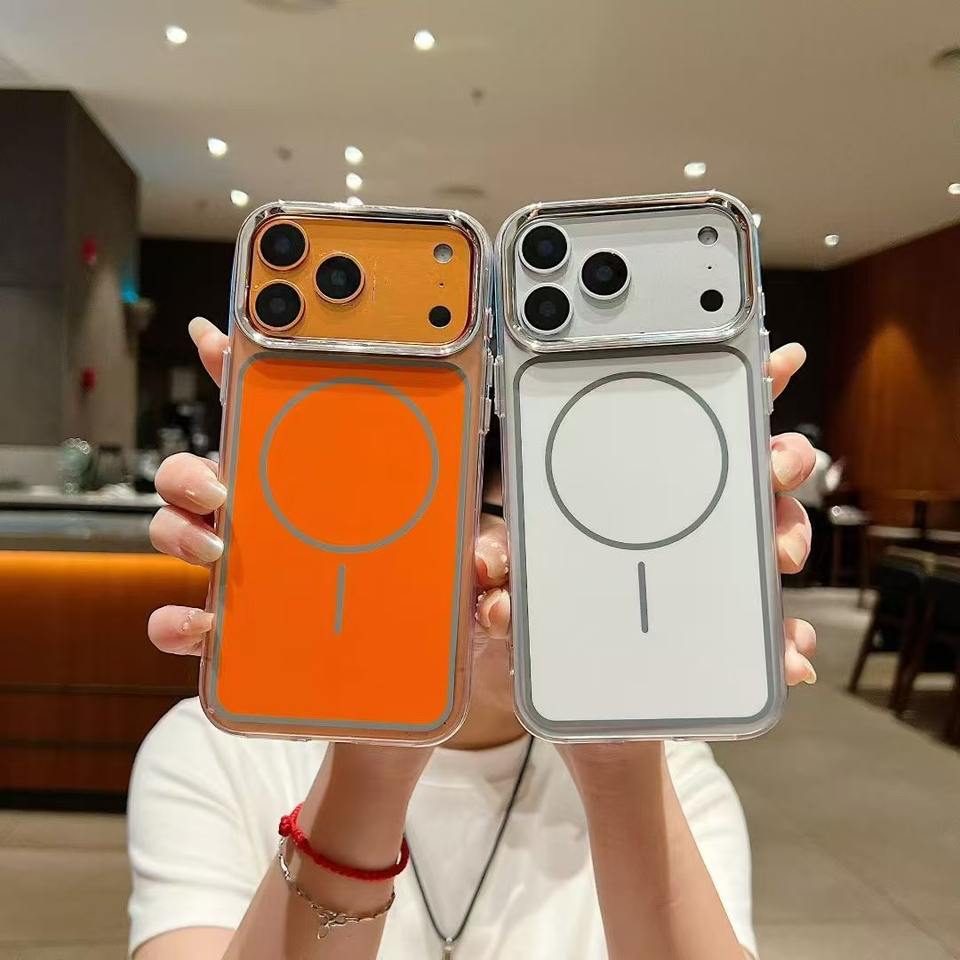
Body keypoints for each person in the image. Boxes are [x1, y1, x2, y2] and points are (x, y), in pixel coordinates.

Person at [128, 317, 818, 960]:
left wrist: (618, 761)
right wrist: (375, 756)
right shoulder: (217, 751)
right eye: (507, 514)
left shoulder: (676, 775)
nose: (529, 557)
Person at [790, 423, 843, 584]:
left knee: (790, 541)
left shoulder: (788, 454)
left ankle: (789, 579)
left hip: (788, 505)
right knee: (810, 544)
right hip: (811, 509)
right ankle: (807, 578)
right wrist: (836, 472)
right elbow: (826, 488)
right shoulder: (822, 458)